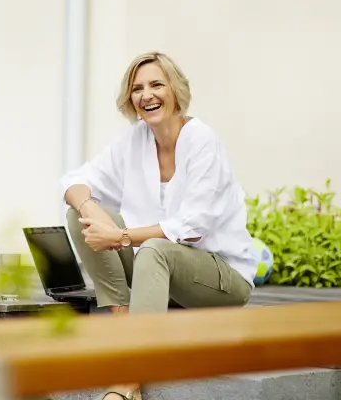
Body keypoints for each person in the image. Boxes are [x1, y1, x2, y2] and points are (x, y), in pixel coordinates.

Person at [60, 52, 258, 400]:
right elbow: (75, 181)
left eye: (156, 84)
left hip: (221, 278)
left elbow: (191, 228)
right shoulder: (134, 140)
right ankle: (126, 329)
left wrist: (119, 235)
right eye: (137, 88)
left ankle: (128, 379)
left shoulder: (201, 140)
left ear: (175, 90)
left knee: (154, 247)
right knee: (80, 215)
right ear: (130, 100)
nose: (146, 94)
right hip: (159, 272)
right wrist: (90, 206)